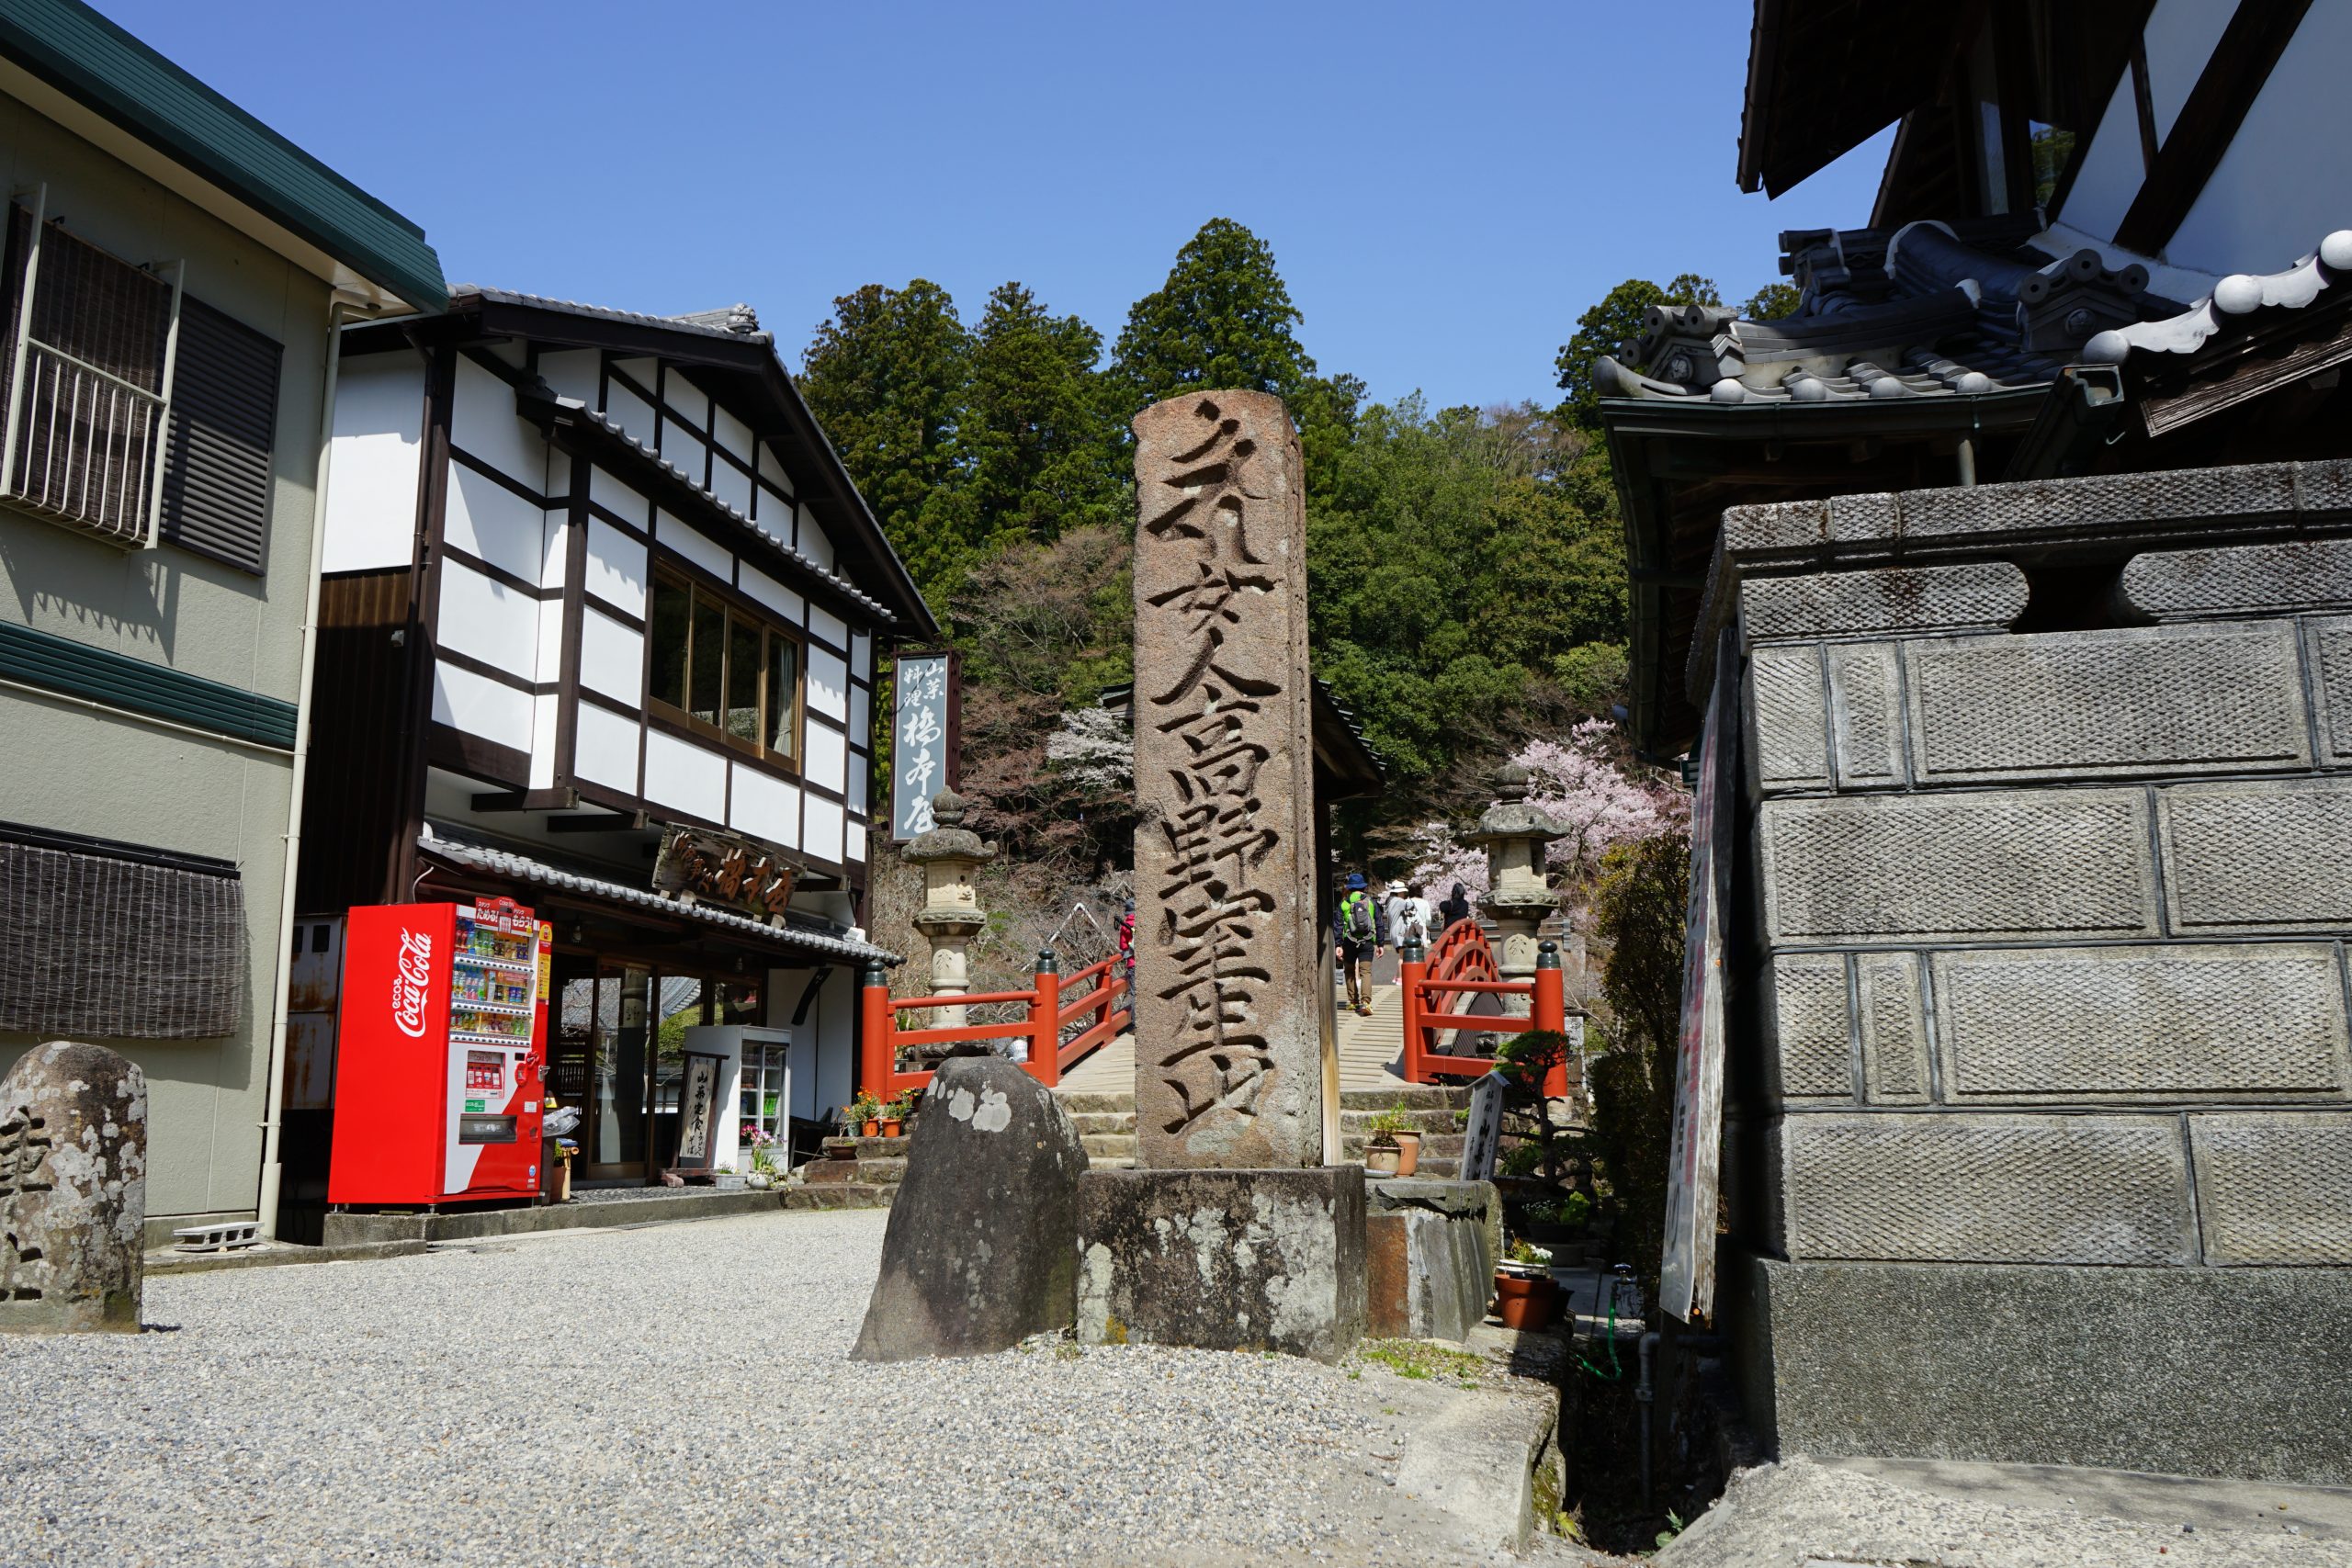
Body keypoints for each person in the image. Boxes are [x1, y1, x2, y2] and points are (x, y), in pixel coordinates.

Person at [1336, 872, 1384, 1017]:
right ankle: (1366, 1002)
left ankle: (1353, 1002)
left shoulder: (1344, 903)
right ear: (1363, 887)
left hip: (1349, 941)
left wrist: (1338, 944)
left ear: (1349, 888)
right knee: (1366, 972)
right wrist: (1380, 943)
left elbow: (1338, 924)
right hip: (1367, 941)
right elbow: (1379, 923)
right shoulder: (1371, 902)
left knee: (1350, 971)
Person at [1391, 883, 1432, 950]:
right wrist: (1427, 926)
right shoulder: (1425, 903)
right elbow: (1428, 919)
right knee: (1420, 955)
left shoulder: (1405, 902)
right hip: (1421, 932)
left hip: (1408, 932)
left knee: (1408, 955)